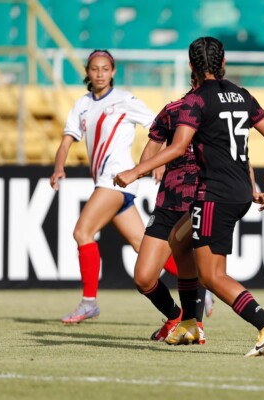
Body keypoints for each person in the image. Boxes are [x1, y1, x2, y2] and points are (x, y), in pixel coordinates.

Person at [114, 36, 264, 357]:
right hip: (232, 192)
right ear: (223, 63)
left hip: (212, 194)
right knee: (179, 243)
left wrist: (134, 172)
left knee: (213, 276)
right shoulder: (242, 95)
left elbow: (179, 147)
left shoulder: (195, 102)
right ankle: (189, 322)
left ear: (191, 66)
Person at [50, 49, 178, 324]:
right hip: (107, 182)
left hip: (116, 178)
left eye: (105, 69)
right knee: (143, 245)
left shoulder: (124, 100)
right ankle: (200, 281)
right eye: (94, 69)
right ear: (87, 71)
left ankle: (89, 303)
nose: (100, 74)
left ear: (113, 72)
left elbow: (161, 126)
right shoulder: (82, 104)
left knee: (82, 232)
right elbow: (66, 141)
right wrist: (59, 167)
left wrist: (159, 162)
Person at [134, 80, 210, 343]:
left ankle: (195, 325)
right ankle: (175, 316)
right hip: (168, 202)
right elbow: (149, 153)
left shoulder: (217, 114)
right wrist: (153, 163)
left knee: (197, 265)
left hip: (202, 201)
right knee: (144, 278)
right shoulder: (172, 110)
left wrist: (250, 187)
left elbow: (235, 156)